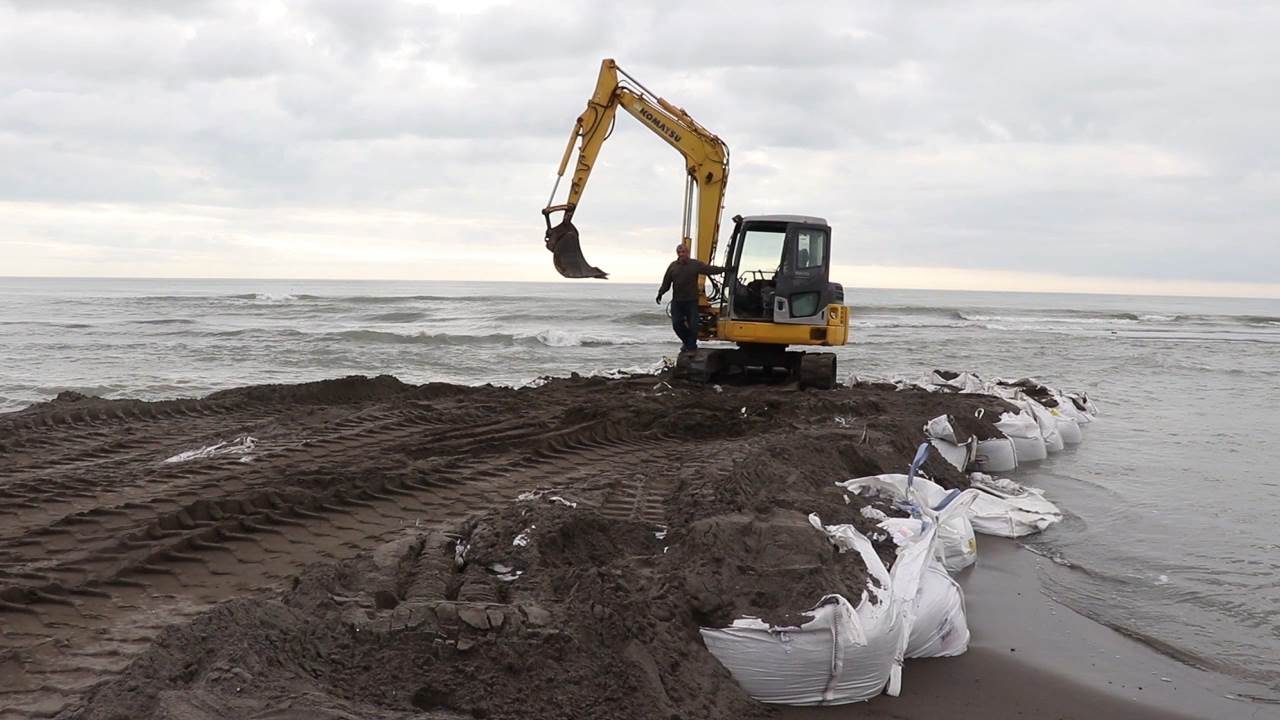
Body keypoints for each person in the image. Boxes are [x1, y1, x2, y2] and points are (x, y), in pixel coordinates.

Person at [655, 243, 725, 353]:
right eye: (679, 252)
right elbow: (666, 282)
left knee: (694, 325)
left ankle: (691, 346)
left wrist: (724, 269)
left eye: (683, 252)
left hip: (691, 301)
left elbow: (709, 269)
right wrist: (660, 293)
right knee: (677, 324)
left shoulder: (695, 264)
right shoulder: (673, 266)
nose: (681, 254)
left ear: (688, 253)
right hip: (677, 301)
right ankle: (687, 342)